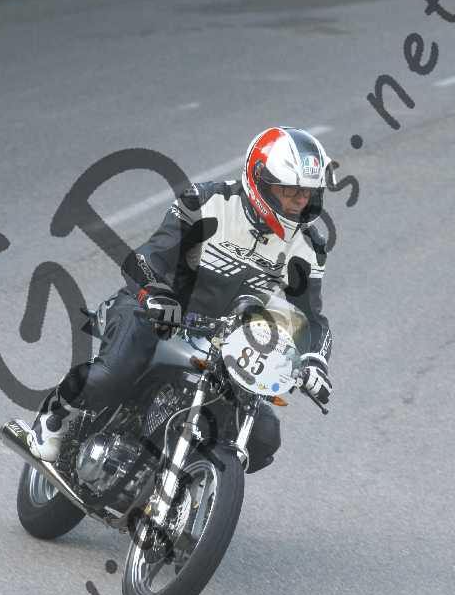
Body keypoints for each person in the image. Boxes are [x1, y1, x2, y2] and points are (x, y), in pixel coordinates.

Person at [27, 126, 334, 471]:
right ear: (259, 181)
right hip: (154, 310)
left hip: (224, 340)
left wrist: (314, 362)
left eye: (307, 192)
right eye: (290, 190)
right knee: (112, 375)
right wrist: (156, 295)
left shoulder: (308, 246)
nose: (300, 200)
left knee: (263, 437)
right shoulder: (205, 201)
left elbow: (311, 318)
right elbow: (147, 258)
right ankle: (56, 412)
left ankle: (179, 472)